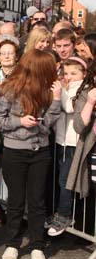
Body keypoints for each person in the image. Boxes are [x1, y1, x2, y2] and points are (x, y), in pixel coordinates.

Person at [0, 49, 61, 259]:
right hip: (15, 150)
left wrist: (57, 99)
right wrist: (20, 122)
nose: (55, 70)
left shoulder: (48, 91)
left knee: (37, 200)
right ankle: (12, 243)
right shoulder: (10, 90)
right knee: (16, 200)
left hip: (40, 151)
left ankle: (37, 246)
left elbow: (49, 123)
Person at [47, 57, 85, 236]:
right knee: (58, 180)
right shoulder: (66, 87)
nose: (69, 77)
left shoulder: (83, 89)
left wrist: (60, 91)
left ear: (83, 74)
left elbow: (69, 107)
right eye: (66, 73)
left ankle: (65, 215)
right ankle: (56, 212)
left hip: (73, 142)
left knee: (65, 181)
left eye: (74, 73)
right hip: (60, 140)